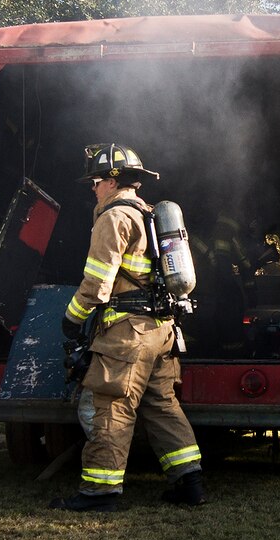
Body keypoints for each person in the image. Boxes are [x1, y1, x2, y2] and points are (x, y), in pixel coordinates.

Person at [52, 143, 206, 511]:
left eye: (96, 180)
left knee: (112, 404)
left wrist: (72, 318)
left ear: (111, 180)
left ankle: (100, 491)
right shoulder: (150, 215)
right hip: (161, 331)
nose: (93, 187)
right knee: (162, 405)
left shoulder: (113, 217)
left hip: (127, 333)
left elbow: (97, 282)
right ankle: (189, 483)